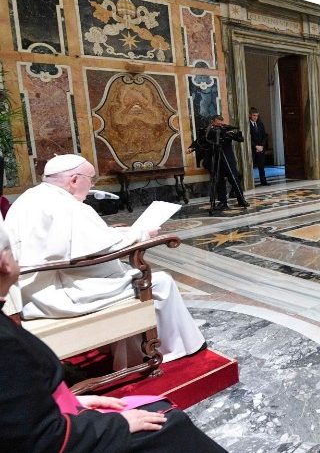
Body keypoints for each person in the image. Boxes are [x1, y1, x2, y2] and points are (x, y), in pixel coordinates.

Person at [0, 222, 226, 452]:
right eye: (9, 251)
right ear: (4, 264)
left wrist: (72, 401)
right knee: (171, 423)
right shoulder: (5, 343)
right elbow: (42, 439)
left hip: (43, 295)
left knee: (159, 412)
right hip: (65, 296)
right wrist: (116, 424)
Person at [4, 155, 205, 366]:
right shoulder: (70, 206)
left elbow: (77, 240)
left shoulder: (29, 198)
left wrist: (120, 231)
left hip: (31, 291)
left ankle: (133, 351)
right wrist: (143, 234)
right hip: (61, 295)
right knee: (159, 281)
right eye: (91, 179)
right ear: (74, 180)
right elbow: (101, 249)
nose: (92, 186)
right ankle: (174, 348)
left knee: (121, 273)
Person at [190, 114, 247, 210]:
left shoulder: (227, 129)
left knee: (234, 179)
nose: (220, 126)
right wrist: (192, 148)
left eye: (221, 124)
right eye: (217, 124)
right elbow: (200, 141)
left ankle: (241, 200)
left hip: (227, 160)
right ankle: (222, 202)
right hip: (215, 160)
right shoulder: (207, 130)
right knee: (219, 181)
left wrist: (232, 134)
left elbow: (240, 138)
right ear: (212, 122)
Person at [248, 107, 268, 186]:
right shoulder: (247, 125)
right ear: (250, 115)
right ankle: (250, 183)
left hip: (260, 148)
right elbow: (248, 137)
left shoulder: (260, 124)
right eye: (254, 115)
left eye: (256, 116)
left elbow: (264, 136)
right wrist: (255, 146)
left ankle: (263, 181)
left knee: (261, 165)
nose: (255, 117)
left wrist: (262, 146)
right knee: (251, 166)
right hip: (252, 149)